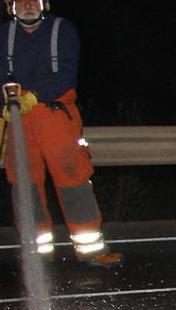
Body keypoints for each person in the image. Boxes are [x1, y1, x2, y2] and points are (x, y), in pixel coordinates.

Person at [1, 0, 120, 267]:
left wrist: (34, 96)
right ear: (11, 6)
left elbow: (66, 75)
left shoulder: (61, 30)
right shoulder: (3, 35)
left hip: (55, 115)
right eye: (21, 0)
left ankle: (90, 249)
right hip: (18, 119)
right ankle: (36, 253)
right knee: (24, 183)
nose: (28, 5)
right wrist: (5, 105)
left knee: (73, 178)